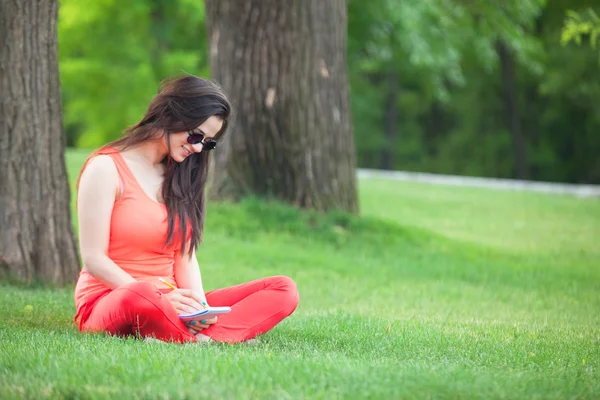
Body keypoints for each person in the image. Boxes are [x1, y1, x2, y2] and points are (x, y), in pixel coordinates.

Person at [73, 75, 299, 344]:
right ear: (170, 114)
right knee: (142, 294)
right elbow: (94, 259)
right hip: (116, 298)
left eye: (207, 142)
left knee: (283, 289)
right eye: (196, 135)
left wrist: (199, 308)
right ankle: (205, 340)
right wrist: (161, 298)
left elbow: (185, 256)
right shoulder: (105, 169)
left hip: (173, 303)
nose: (198, 147)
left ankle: (196, 335)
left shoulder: (180, 175)